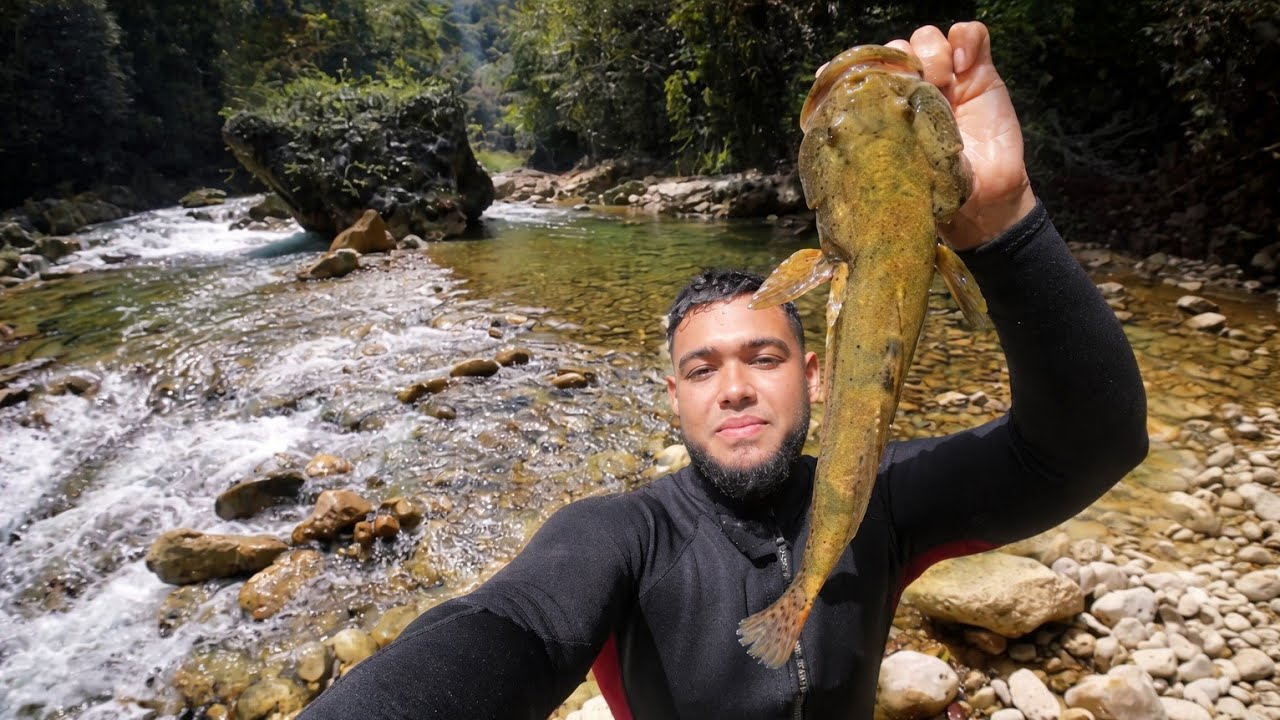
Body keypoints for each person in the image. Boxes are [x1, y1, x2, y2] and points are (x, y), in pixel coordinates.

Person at [300, 22, 1147, 720]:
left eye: (764, 357)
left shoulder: (885, 502)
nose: (735, 387)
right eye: (702, 370)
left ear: (816, 375)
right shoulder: (624, 537)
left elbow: (1092, 443)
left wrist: (1003, 221)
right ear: (673, 398)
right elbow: (504, 628)